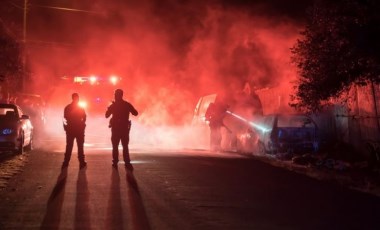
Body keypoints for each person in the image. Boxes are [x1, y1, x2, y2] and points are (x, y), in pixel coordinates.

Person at [105, 89, 138, 169]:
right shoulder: (126, 104)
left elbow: (106, 115)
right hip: (124, 129)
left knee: (115, 146)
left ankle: (115, 162)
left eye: (115, 95)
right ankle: (127, 163)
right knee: (125, 146)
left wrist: (109, 108)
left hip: (116, 129)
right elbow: (135, 113)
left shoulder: (113, 106)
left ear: (116, 95)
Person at [62, 93, 87, 169]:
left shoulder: (68, 107)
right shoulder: (81, 108)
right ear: (77, 99)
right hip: (79, 129)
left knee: (69, 146)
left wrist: (66, 127)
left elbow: (65, 118)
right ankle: (81, 162)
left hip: (70, 129)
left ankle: (66, 162)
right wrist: (82, 124)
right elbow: (84, 117)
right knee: (80, 146)